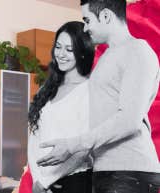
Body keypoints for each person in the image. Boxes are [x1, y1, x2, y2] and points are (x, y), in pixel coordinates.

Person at [37, 0, 160, 193]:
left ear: (105, 16)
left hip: (130, 172)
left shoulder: (138, 51)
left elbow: (129, 120)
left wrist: (72, 145)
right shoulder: (106, 58)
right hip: (107, 172)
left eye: (87, 20)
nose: (85, 28)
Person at [28, 21, 95, 193]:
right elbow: (34, 138)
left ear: (82, 53)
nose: (61, 54)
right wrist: (37, 180)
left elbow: (84, 148)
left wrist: (45, 182)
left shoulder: (89, 91)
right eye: (58, 47)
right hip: (41, 182)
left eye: (69, 49)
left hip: (75, 182)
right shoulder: (47, 88)